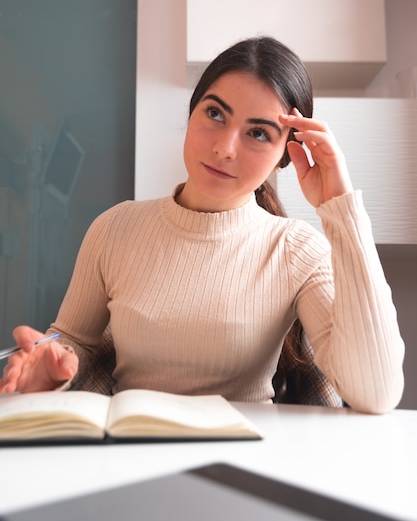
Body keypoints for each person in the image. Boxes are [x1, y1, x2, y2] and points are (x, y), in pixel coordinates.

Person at [0, 36, 404, 413]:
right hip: (126, 455)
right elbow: (70, 342)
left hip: (246, 462)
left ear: (286, 155)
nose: (224, 148)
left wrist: (341, 208)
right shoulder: (114, 229)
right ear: (191, 113)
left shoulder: (297, 250)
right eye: (214, 113)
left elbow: (376, 392)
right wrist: (53, 369)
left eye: (259, 133)